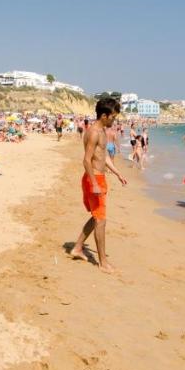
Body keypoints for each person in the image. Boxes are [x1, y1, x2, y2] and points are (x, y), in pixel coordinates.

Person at [69, 97, 128, 274]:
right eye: (113, 117)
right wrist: (94, 183)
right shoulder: (94, 132)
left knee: (97, 217)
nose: (114, 120)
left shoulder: (101, 131)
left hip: (99, 177)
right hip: (94, 178)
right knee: (101, 221)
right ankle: (103, 263)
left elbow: (104, 157)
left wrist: (117, 173)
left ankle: (78, 248)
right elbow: (86, 160)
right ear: (104, 115)